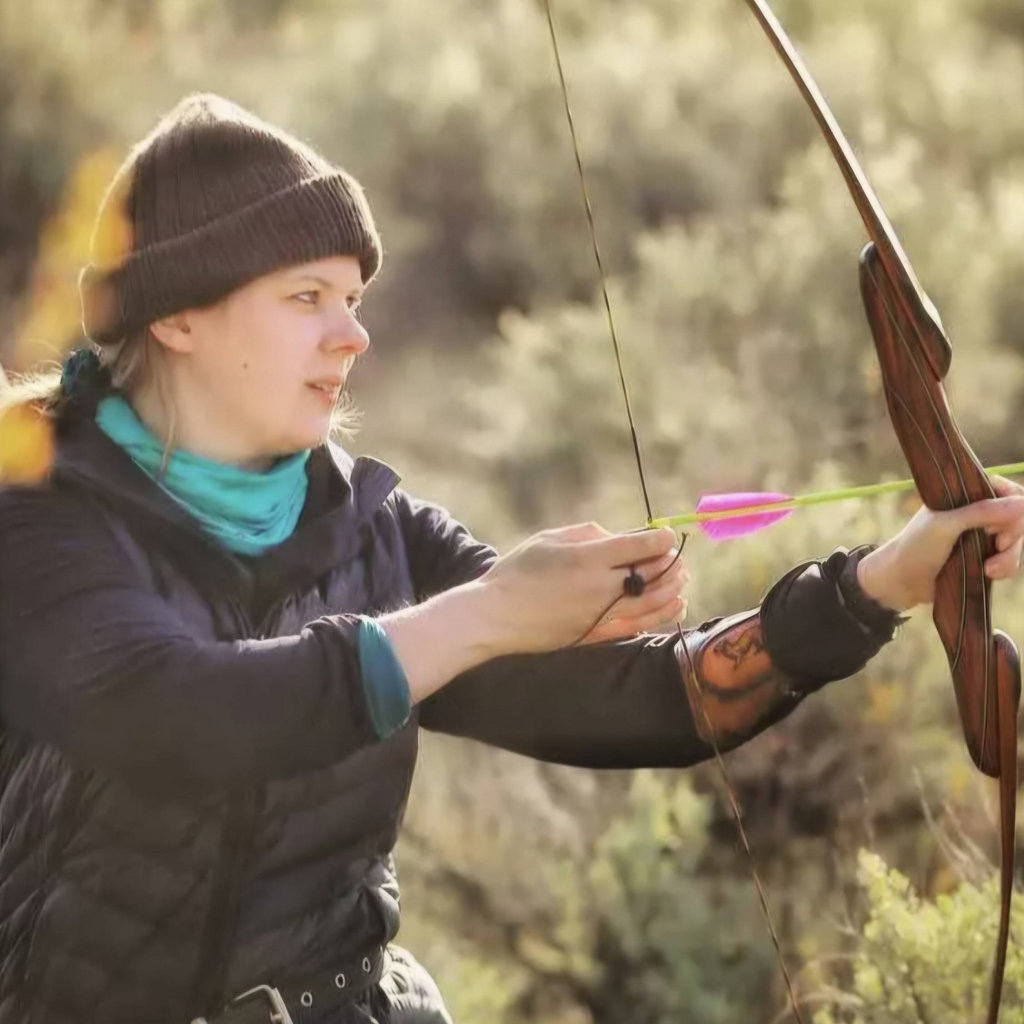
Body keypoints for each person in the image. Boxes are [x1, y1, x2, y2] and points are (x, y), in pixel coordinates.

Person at [0, 93, 1021, 1024]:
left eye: (354, 297)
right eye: (307, 297)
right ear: (176, 314)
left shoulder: (376, 530)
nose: (353, 335)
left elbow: (649, 698)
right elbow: (170, 710)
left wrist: (881, 583)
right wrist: (487, 613)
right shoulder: (37, 510)